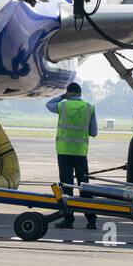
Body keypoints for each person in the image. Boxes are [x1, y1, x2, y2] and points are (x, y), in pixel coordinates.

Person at [48, 81, 98, 229]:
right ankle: (91, 220)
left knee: (66, 187)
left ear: (69, 93)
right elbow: (94, 132)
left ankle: (68, 220)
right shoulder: (89, 108)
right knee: (85, 187)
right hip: (80, 153)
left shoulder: (63, 105)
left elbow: (49, 104)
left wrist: (62, 96)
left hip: (63, 152)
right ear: (80, 93)